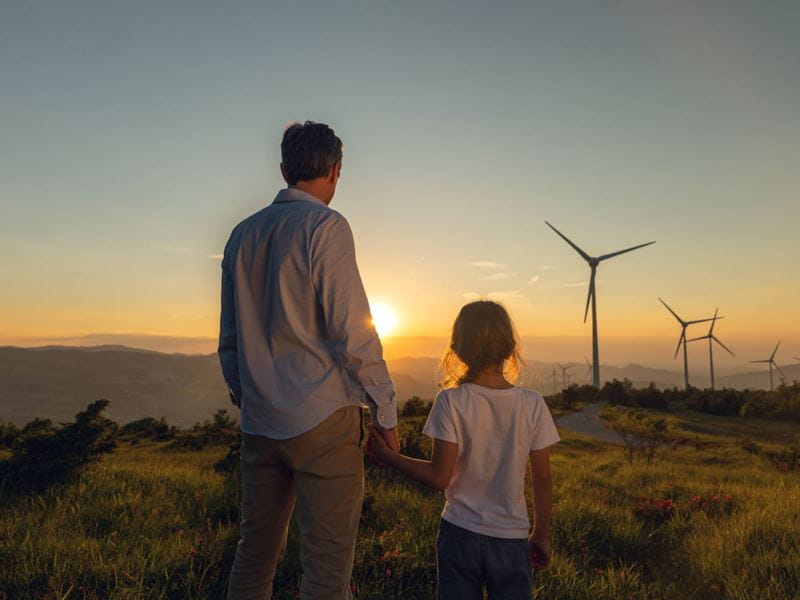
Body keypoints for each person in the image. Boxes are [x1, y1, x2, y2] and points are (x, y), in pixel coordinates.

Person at [219, 120, 400, 600]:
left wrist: (246, 393)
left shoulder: (242, 234)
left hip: (260, 422)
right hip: (322, 418)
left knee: (254, 554)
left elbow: (230, 338)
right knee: (326, 567)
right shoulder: (326, 226)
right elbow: (353, 332)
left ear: (283, 169)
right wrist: (385, 412)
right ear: (336, 170)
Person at [368, 300, 559, 599]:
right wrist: (541, 535)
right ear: (510, 348)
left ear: (457, 349)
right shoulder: (532, 403)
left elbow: (438, 477)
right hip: (511, 538)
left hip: (460, 534)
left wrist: (390, 457)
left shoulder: (450, 401)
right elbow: (543, 479)